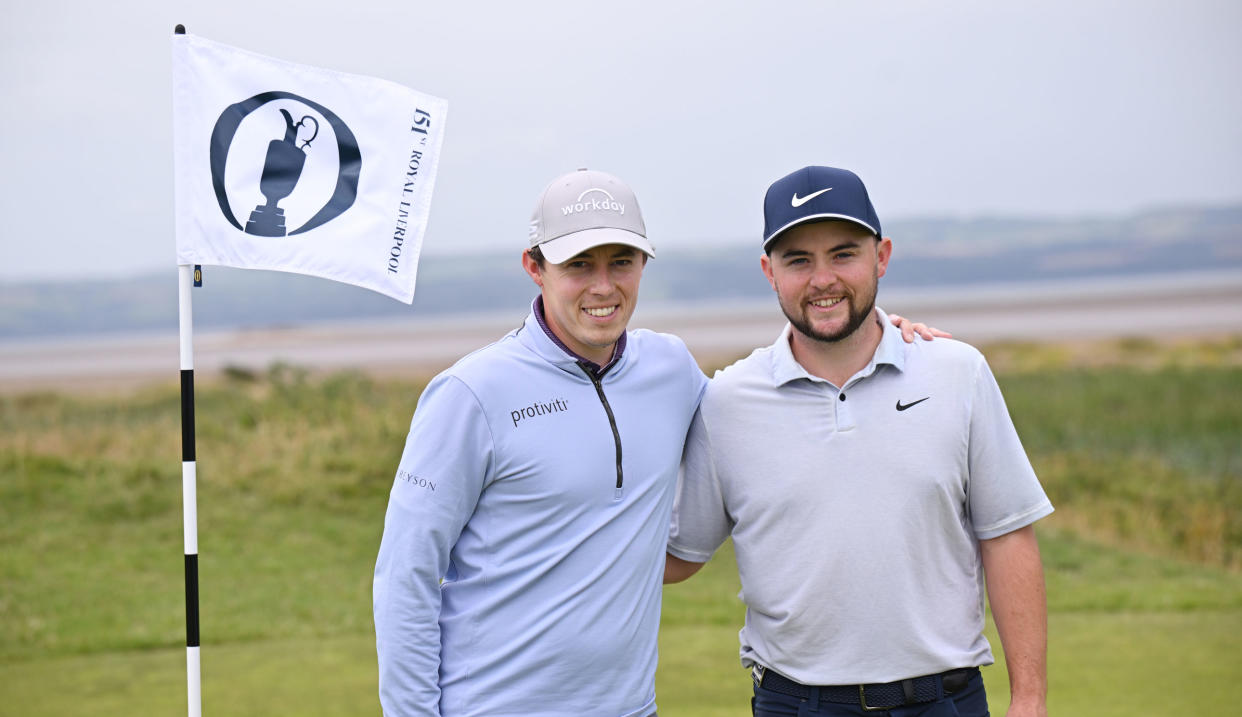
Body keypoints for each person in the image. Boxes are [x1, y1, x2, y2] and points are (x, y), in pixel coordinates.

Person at [373, 168, 937, 716]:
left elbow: (762, 402)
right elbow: (406, 574)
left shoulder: (668, 368)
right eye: (578, 265)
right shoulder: (470, 393)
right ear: (534, 267)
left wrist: (877, 332)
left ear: (643, 263)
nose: (603, 286)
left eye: (621, 262)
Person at [664, 166, 1054, 717]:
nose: (823, 279)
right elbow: (678, 557)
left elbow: (1007, 535)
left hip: (944, 700)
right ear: (768, 272)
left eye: (843, 254)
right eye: (798, 260)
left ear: (882, 256)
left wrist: (1030, 700)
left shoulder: (956, 371)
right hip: (794, 703)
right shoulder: (726, 400)